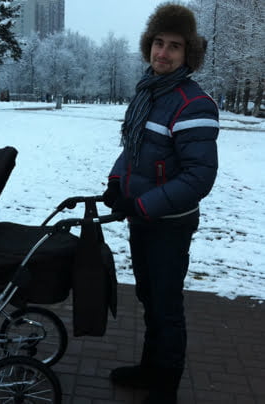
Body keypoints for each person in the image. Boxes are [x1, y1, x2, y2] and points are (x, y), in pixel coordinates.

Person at [103, 4, 219, 404]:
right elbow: (133, 149)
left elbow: (198, 177)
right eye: (158, 43)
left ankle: (165, 386)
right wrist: (116, 183)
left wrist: (143, 206)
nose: (163, 53)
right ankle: (149, 369)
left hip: (169, 223)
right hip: (144, 218)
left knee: (166, 305)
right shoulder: (149, 92)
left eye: (174, 46)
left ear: (188, 54)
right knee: (149, 297)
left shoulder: (193, 103)